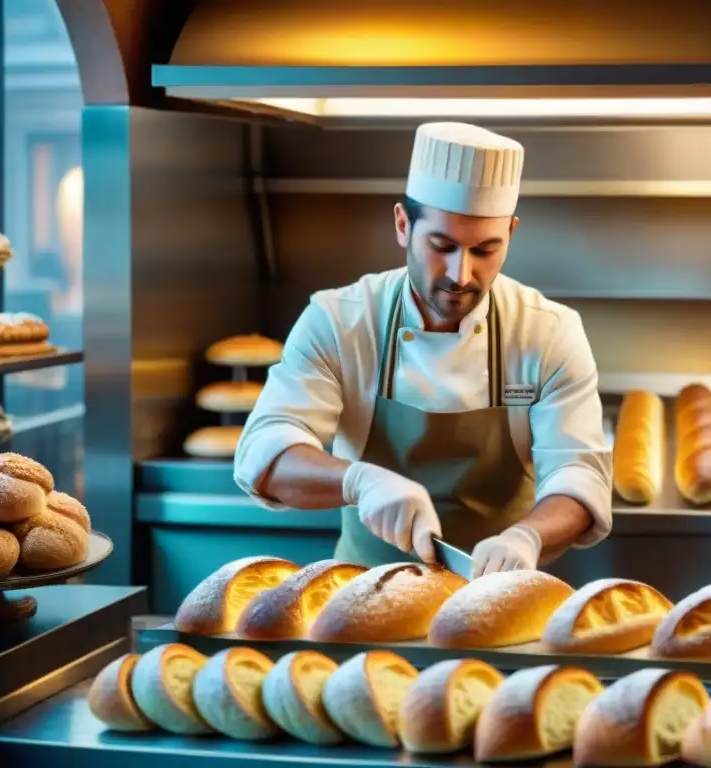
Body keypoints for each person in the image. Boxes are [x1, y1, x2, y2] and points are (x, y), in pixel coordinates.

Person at [234, 122, 612, 577]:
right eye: (442, 246)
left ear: (511, 232)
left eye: (486, 250)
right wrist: (359, 481)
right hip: (362, 594)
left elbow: (579, 476)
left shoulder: (548, 331)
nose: (461, 273)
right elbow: (265, 453)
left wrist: (527, 536)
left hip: (499, 597)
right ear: (402, 225)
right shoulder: (340, 320)